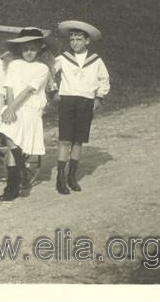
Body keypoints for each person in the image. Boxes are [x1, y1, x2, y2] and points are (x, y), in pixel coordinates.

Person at [53, 20, 110, 195]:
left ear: (87, 41)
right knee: (65, 139)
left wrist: (99, 97)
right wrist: (54, 90)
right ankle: (60, 178)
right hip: (67, 100)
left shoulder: (96, 61)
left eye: (79, 39)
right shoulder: (62, 58)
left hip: (85, 101)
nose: (75, 42)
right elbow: (50, 75)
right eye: (72, 39)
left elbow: (104, 80)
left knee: (78, 140)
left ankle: (72, 176)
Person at [0, 27, 51, 201]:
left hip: (30, 109)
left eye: (33, 49)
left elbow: (28, 91)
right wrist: (10, 109)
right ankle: (19, 175)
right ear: (20, 49)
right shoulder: (14, 65)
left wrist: (12, 108)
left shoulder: (42, 68)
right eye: (26, 49)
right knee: (8, 127)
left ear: (39, 49)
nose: (29, 53)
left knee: (10, 131)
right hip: (15, 105)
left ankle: (13, 184)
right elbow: (10, 88)